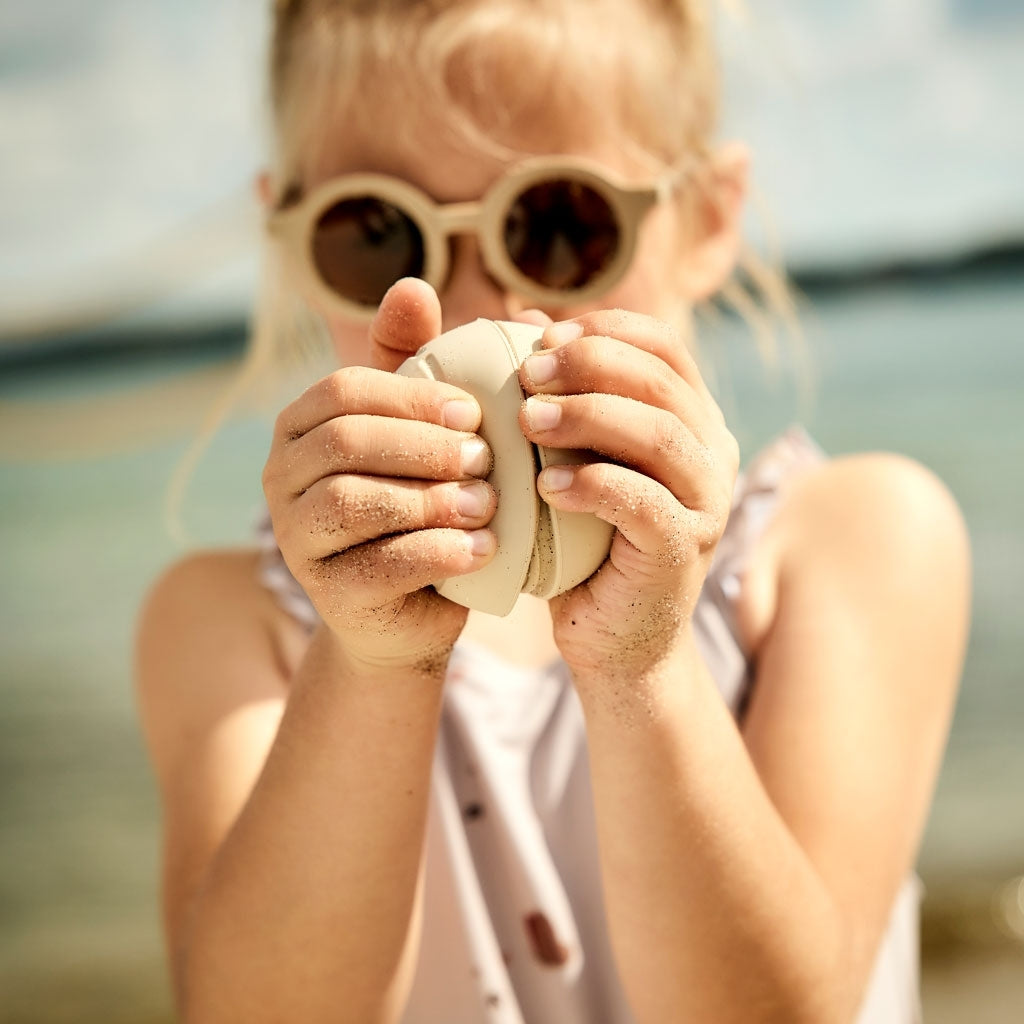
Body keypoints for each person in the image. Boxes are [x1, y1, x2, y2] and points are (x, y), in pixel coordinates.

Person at [135, 2, 971, 1022]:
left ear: (707, 218)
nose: (480, 307)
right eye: (377, 233)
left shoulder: (851, 541)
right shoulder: (235, 619)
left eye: (559, 225)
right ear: (293, 248)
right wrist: (367, 661)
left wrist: (642, 664)